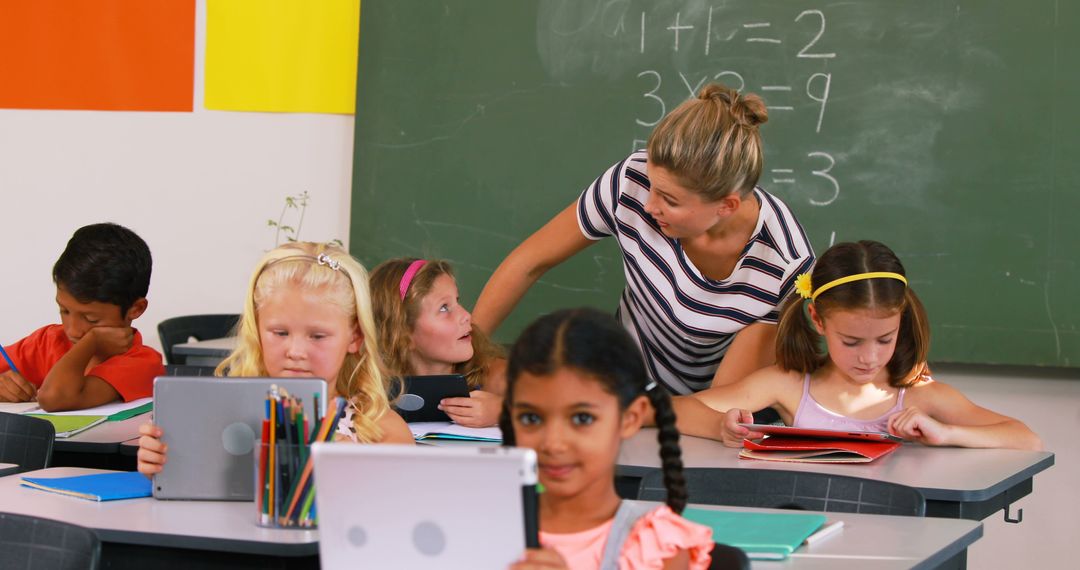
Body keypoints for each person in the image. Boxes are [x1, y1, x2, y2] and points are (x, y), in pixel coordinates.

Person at [474, 83, 814, 397]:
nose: (649, 205)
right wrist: (466, 353)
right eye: (652, 184)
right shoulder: (630, 182)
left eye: (671, 200)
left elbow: (717, 404)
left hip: (705, 416)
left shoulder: (784, 266)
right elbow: (529, 262)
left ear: (726, 205)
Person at [674, 241, 1043, 451]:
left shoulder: (920, 397)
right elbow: (672, 410)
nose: (869, 357)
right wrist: (718, 424)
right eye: (850, 342)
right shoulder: (785, 383)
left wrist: (947, 433)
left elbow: (1026, 439)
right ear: (818, 320)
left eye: (885, 339)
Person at [138, 243, 413, 477]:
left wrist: (357, 465)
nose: (295, 351)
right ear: (257, 330)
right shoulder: (217, 419)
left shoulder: (381, 430)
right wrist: (163, 466)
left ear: (355, 337)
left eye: (317, 336)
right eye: (280, 333)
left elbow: (399, 503)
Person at [503, 308, 713, 570]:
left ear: (630, 418)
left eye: (582, 419)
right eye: (531, 419)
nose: (553, 443)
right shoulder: (481, 527)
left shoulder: (655, 548)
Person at [0, 222, 163, 411]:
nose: (72, 330)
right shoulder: (47, 342)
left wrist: (93, 341)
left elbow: (55, 397)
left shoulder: (143, 363)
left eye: (91, 319)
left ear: (136, 309)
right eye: (64, 311)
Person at [370, 258, 507, 427]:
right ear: (402, 334)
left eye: (457, 300)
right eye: (444, 308)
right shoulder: (370, 387)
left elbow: (547, 411)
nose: (466, 315)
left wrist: (503, 411)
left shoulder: (497, 377)